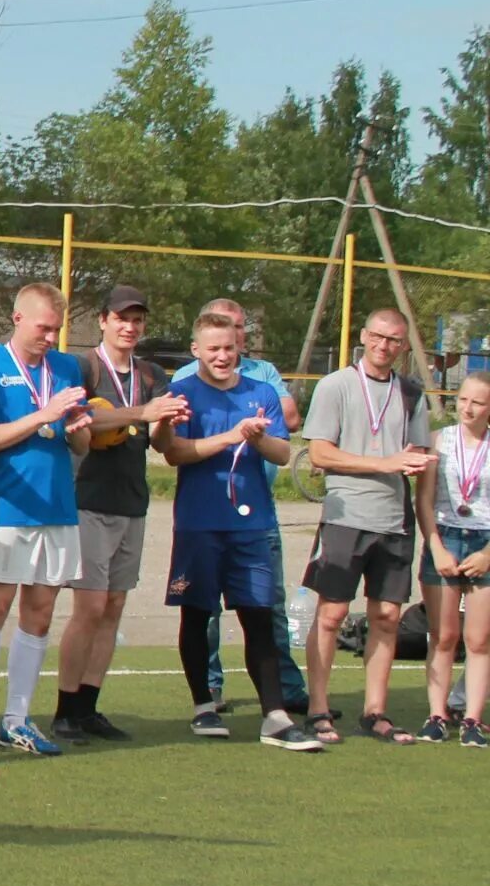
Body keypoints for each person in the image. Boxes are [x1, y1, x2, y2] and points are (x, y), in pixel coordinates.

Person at [162, 311, 318, 749]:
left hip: (252, 528)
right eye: (213, 348)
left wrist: (255, 439)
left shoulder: (262, 391)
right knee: (197, 614)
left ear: (239, 348)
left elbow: (283, 453)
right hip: (199, 525)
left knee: (259, 617)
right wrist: (229, 437)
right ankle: (203, 707)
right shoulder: (183, 392)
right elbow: (175, 453)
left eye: (229, 348)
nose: (222, 356)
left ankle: (275, 715)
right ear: (197, 351)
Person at [0, 283, 92, 757]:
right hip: (6, 508)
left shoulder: (68, 368)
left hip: (58, 508)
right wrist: (44, 414)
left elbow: (79, 445)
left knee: (39, 614)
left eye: (57, 329)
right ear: (17, 319)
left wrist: (77, 429)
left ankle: (16, 718)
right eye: (43, 328)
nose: (51, 338)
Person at [52, 286, 184, 742]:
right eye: (122, 318)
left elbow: (163, 447)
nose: (130, 327)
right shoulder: (83, 366)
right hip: (88, 497)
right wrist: (142, 411)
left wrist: (165, 420)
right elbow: (80, 415)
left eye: (138, 320)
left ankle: (89, 706)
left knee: (113, 606)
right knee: (88, 606)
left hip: (132, 500)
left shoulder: (151, 373)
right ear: (103, 321)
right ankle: (65, 708)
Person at [301, 308, 434, 745]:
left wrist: (418, 462)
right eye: (378, 337)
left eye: (395, 340)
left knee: (387, 616)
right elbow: (320, 453)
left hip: (394, 520)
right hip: (345, 516)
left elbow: (416, 452)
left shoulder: (412, 392)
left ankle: (375, 711)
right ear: (363, 336)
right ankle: (317, 708)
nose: (385, 346)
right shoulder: (335, 385)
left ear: (403, 345)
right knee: (332, 614)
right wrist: (384, 463)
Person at [414, 370, 490, 745]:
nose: (468, 408)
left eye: (477, 402)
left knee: (478, 639)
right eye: (463, 400)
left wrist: (488, 555)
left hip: (485, 542)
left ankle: (472, 720)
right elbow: (424, 500)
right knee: (443, 636)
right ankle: (436, 715)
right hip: (444, 538)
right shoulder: (438, 442)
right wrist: (436, 546)